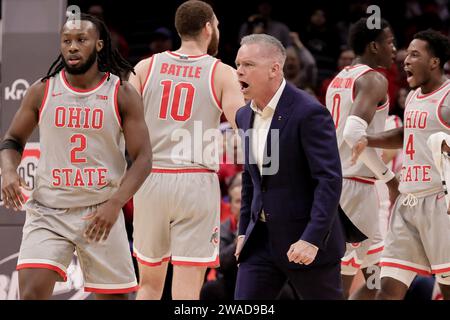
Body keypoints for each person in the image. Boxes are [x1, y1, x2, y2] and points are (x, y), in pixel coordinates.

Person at [0, 13, 152, 300]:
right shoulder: (41, 91)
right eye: (66, 41)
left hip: (100, 211)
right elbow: (12, 141)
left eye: (81, 40)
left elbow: (143, 158)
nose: (72, 47)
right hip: (48, 210)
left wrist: (115, 204)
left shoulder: (121, 93)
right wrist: (9, 171)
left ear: (99, 44)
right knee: (30, 295)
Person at [128, 0, 244, 300]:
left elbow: (121, 123)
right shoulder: (221, 72)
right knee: (187, 292)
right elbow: (245, 127)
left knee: (149, 285)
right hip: (194, 179)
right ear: (207, 28)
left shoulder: (145, 67)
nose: (217, 30)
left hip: (151, 178)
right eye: (216, 25)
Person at [234, 34, 345, 300]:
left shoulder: (309, 112)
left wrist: (312, 238)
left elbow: (329, 180)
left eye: (248, 64)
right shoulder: (244, 114)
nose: (239, 71)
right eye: (237, 64)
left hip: (304, 240)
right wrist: (241, 231)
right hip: (260, 241)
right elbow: (251, 179)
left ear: (275, 69)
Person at [352, 29, 450, 300]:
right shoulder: (414, 97)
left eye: (415, 54)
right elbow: (407, 133)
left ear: (435, 61)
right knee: (388, 288)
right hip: (408, 202)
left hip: (440, 202)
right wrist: (368, 140)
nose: (406, 59)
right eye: (406, 53)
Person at [325, 18, 399, 300]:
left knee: (358, 272)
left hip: (338, 181)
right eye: (390, 42)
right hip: (356, 184)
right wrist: (389, 178)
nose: (394, 49)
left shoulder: (339, 78)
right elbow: (353, 132)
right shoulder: (373, 79)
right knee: (375, 274)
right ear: (373, 45)